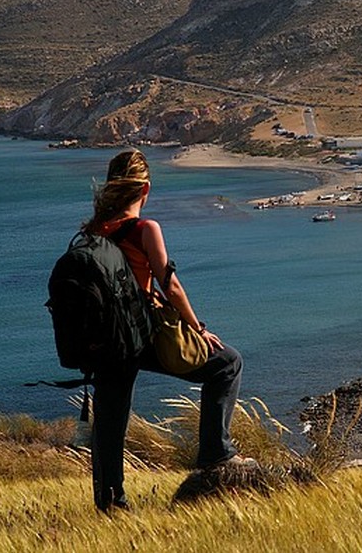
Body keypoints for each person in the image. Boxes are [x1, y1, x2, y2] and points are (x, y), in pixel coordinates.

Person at [84, 149, 254, 512]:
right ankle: (214, 454)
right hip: (140, 335)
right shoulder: (145, 229)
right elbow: (170, 286)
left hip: (104, 340)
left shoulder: (92, 231)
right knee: (227, 363)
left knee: (110, 420)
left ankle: (110, 504)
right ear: (144, 189)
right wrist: (198, 328)